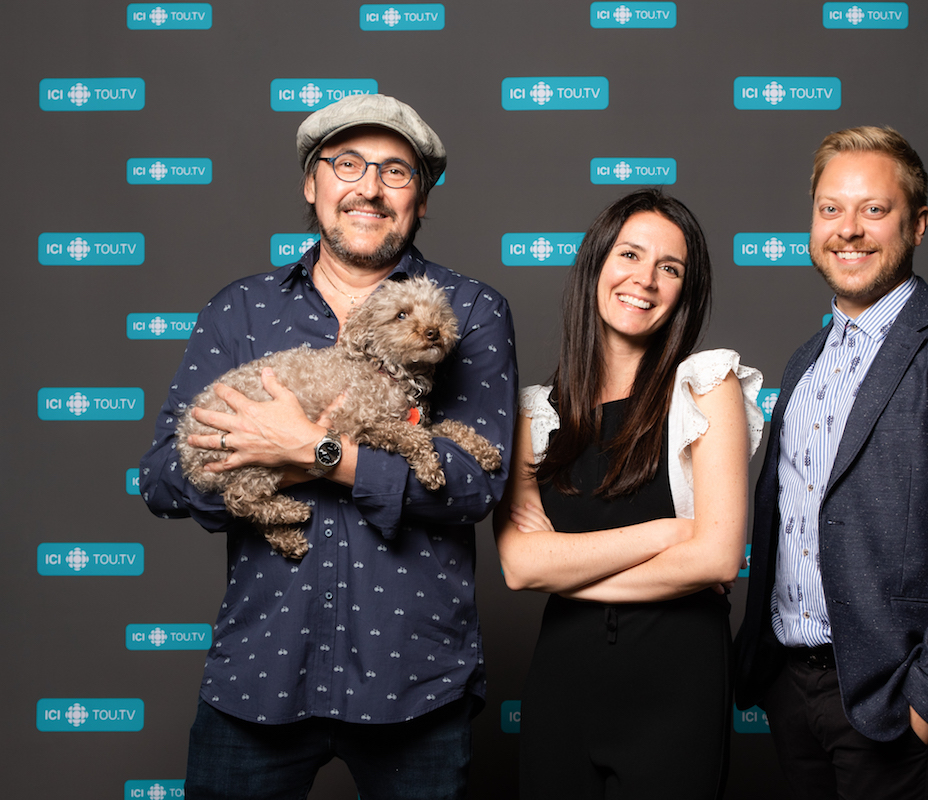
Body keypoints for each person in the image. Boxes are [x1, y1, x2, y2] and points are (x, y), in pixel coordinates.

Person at [139, 93, 517, 800]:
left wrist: (318, 453)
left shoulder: (470, 311)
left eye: (396, 172)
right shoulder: (240, 311)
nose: (369, 187)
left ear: (422, 201)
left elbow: (472, 486)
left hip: (415, 678)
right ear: (312, 185)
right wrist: (247, 453)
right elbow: (161, 477)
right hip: (259, 674)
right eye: (347, 164)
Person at [734, 126, 928, 798]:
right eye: (831, 209)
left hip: (894, 706)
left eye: (875, 210)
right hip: (792, 692)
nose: (849, 230)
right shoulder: (805, 362)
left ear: (918, 224)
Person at [494, 189, 763, 799]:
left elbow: (717, 558)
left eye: (670, 268)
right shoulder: (535, 414)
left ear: (684, 292)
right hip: (563, 680)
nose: (645, 279)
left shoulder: (705, 388)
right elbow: (518, 565)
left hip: (678, 681)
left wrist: (566, 569)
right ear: (596, 264)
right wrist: (668, 535)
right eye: (630, 255)